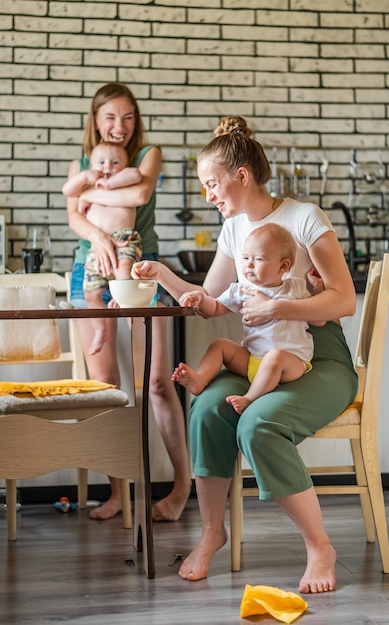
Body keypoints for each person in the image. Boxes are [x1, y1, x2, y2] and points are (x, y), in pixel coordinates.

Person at [131, 115, 358, 594]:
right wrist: (160, 279)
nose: (207, 195)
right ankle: (212, 533)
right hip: (259, 356)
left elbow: (344, 299)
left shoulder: (303, 217)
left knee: (259, 423)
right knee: (209, 406)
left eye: (212, 184)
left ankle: (320, 546)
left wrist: (280, 305)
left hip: (318, 355)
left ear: (242, 176)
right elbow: (210, 300)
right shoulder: (234, 229)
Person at [66, 82, 191, 522]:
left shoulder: (148, 155)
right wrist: (97, 234)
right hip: (89, 272)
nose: (120, 126)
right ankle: (116, 493)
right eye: (110, 117)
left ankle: (180, 488)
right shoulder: (81, 162)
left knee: (156, 383)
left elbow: (138, 195)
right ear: (95, 120)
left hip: (141, 269)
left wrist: (88, 196)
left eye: (128, 117)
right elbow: (73, 218)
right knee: (106, 388)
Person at [173, 223, 323, 415]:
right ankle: (199, 379)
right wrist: (200, 299)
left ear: (283, 266)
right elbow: (216, 307)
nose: (249, 265)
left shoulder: (295, 288)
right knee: (220, 345)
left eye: (258, 259)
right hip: (252, 360)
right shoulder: (241, 290)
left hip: (290, 364)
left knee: (275, 356)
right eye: (245, 258)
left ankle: (250, 398)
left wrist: (318, 290)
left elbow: (318, 320)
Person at [63, 141, 143, 355]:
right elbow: (67, 190)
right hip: (96, 247)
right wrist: (86, 177)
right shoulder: (89, 185)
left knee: (124, 270)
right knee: (91, 294)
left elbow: (135, 174)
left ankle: (122, 300)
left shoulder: (124, 182)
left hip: (123, 237)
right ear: (91, 164)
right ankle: (101, 330)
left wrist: (109, 183)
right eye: (101, 162)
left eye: (115, 162)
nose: (108, 166)